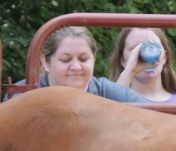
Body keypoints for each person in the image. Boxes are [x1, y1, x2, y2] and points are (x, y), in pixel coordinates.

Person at [10, 25, 146, 102]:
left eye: (83, 59)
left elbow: (159, 117)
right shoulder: (25, 93)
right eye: (66, 60)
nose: (76, 67)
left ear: (94, 58)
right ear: (46, 62)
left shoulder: (107, 92)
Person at [108, 27, 176, 103]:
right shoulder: (108, 101)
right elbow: (110, 113)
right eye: (136, 49)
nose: (145, 54)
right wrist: (130, 71)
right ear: (123, 60)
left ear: (165, 57)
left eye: (153, 47)